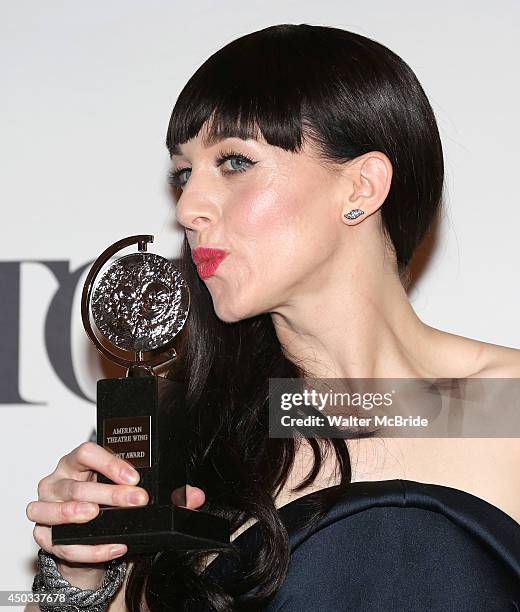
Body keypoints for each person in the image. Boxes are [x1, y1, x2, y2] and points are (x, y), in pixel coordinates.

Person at [26, 23, 520, 611]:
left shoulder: (502, 401)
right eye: (183, 174)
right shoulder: (178, 429)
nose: (187, 208)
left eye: (234, 162)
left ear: (362, 185)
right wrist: (78, 575)